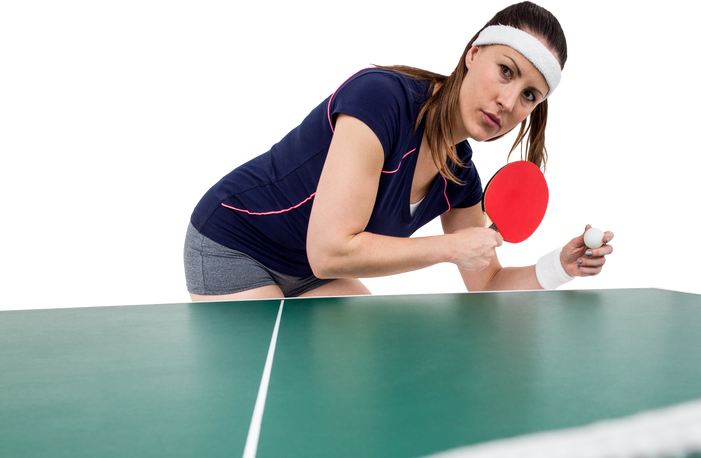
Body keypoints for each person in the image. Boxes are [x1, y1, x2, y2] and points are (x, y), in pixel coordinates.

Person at [181, 2, 617, 302]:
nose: (508, 102)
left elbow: (487, 284)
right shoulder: (380, 98)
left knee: (366, 343)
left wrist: (560, 266)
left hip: (311, 272)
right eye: (505, 71)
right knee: (275, 382)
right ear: (474, 54)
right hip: (235, 242)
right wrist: (450, 247)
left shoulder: (461, 177)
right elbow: (330, 251)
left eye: (528, 96)